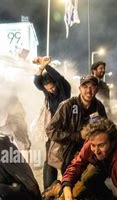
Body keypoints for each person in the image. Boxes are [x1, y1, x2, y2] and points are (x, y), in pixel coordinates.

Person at [33, 56, 71, 191]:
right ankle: (49, 188)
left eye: (52, 87)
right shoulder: (47, 92)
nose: (51, 90)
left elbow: (59, 78)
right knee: (50, 158)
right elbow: (37, 82)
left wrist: (47, 66)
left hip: (67, 129)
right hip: (53, 130)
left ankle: (68, 187)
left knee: (67, 159)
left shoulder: (64, 88)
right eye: (48, 89)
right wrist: (41, 67)